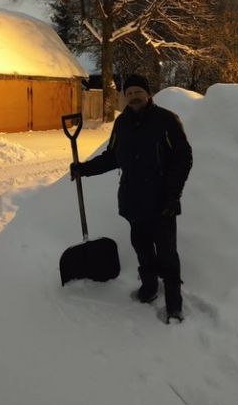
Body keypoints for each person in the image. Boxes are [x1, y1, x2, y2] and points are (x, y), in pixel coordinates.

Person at [70, 74, 193, 322]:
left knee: (167, 255)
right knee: (142, 250)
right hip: (133, 201)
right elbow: (113, 157)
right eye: (129, 93)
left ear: (148, 94)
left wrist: (173, 196)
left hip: (162, 203)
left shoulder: (167, 120)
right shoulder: (122, 123)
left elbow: (183, 159)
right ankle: (148, 289)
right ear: (124, 97)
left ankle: (174, 304)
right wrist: (84, 169)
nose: (134, 97)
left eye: (138, 92)